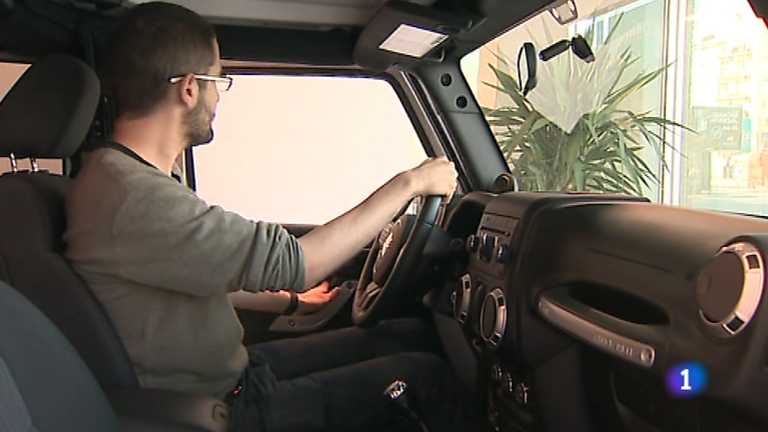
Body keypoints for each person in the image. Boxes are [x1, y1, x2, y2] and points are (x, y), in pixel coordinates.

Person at [64, 2, 467, 432]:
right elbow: (300, 263)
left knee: (404, 335)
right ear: (189, 89)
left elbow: (201, 269)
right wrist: (410, 183)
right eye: (218, 81)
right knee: (426, 378)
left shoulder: (123, 178)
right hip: (223, 410)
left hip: (237, 375)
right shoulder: (132, 195)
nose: (219, 97)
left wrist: (291, 303)